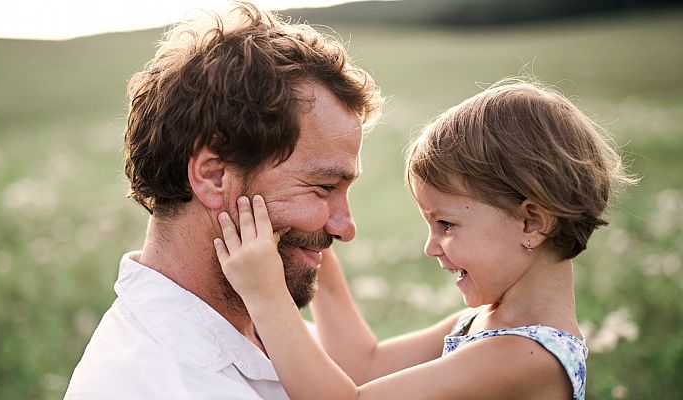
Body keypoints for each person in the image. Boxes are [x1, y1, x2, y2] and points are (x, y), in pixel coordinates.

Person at [214, 80, 636, 400]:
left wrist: (268, 297)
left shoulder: (527, 357)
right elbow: (365, 366)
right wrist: (315, 246)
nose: (431, 247)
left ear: (531, 223)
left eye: (447, 225)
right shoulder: (484, 324)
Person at [63, 1, 383, 398]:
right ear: (214, 176)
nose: (345, 228)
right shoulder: (153, 384)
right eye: (323, 187)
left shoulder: (277, 336)